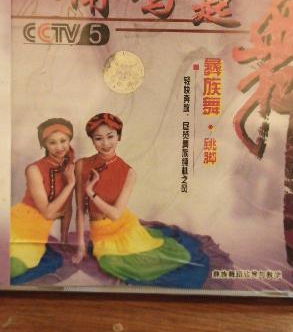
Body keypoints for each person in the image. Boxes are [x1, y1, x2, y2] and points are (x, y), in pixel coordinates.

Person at [73, 112, 209, 287]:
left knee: (169, 258)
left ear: (119, 136)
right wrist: (81, 246)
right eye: (98, 138)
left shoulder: (129, 172)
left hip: (124, 225)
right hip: (100, 232)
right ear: (92, 140)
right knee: (110, 263)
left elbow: (115, 214)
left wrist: (91, 192)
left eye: (110, 136)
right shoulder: (81, 165)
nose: (105, 144)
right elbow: (79, 208)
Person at [10, 117, 82, 284]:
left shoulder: (71, 168)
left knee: (15, 267)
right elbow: (48, 213)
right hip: (18, 222)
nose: (59, 147)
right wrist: (70, 184)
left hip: (38, 231)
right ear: (44, 145)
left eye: (63, 141)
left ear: (69, 140)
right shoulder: (34, 169)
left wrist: (64, 240)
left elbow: (67, 209)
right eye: (52, 142)